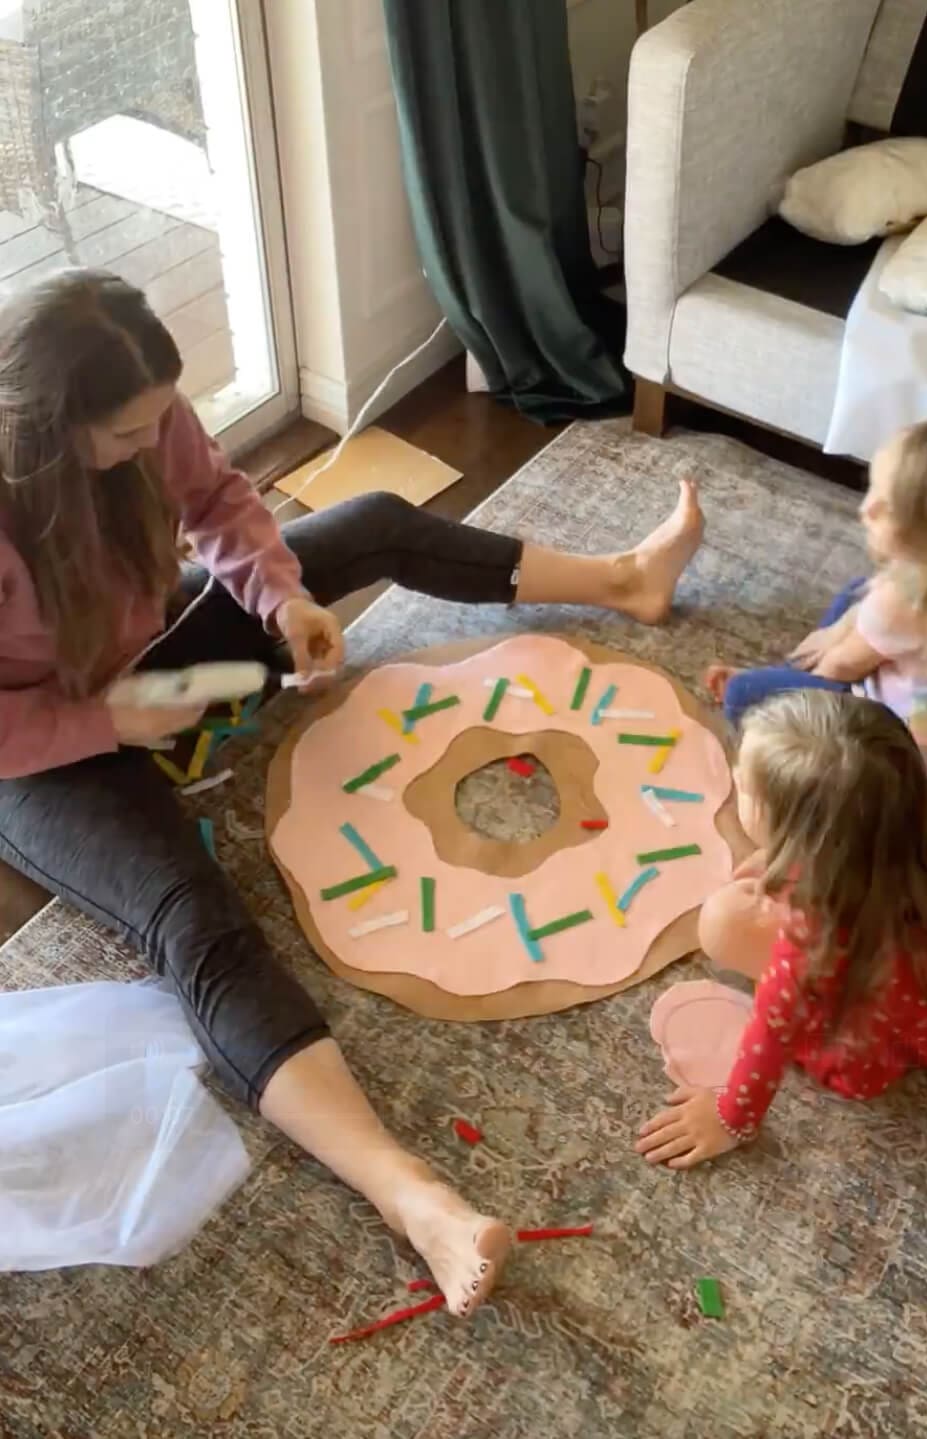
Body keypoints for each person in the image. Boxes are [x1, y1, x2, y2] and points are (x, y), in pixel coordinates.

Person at [0, 269, 703, 1310]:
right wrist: (111, 722)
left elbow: (216, 500)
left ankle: (622, 577)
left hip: (148, 655)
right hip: (41, 744)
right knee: (193, 918)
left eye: (163, 418)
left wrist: (280, 599)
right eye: (128, 433)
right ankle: (407, 1193)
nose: (157, 440)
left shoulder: (145, 418)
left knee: (372, 519)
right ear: (53, 434)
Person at [636, 690, 927, 1170]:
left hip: (883, 1047)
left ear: (806, 839)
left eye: (746, 787)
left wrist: (730, 1119)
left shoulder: (809, 950)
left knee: (722, 923)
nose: (736, 779)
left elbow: (768, 1040)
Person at [706, 416, 927, 777]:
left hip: (899, 743)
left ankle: (786, 675)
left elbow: (841, 667)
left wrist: (800, 672)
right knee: (855, 594)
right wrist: (845, 628)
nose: (865, 509)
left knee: (741, 694)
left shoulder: (901, 600)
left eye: (886, 507)